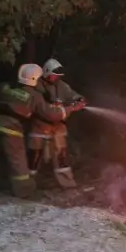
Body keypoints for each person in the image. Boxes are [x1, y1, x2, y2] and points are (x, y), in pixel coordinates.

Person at [0, 63, 76, 199]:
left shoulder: (5, 86)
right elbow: (51, 114)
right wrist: (70, 109)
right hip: (12, 128)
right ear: (35, 79)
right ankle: (24, 191)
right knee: (18, 161)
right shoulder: (33, 96)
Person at [28, 58, 87, 189]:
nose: (56, 78)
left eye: (59, 76)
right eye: (55, 75)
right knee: (34, 158)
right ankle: (27, 185)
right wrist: (72, 108)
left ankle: (68, 184)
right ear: (46, 72)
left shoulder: (61, 86)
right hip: (40, 127)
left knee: (62, 158)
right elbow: (47, 112)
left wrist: (79, 99)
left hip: (58, 127)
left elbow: (72, 94)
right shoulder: (37, 86)